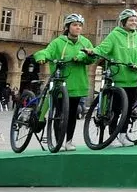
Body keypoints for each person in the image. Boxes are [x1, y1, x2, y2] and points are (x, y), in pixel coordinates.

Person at [32, 13, 95, 151]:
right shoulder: (58, 42)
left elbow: (92, 59)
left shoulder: (85, 42)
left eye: (80, 25)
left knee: (72, 114)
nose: (78, 28)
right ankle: (57, 141)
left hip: (78, 84)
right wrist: (41, 57)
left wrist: (86, 56)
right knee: (59, 114)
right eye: (74, 25)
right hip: (61, 83)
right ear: (67, 27)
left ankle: (69, 141)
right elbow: (47, 52)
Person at [82, 8, 137, 147]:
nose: (134, 22)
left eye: (135, 20)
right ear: (124, 22)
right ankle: (112, 135)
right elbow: (103, 49)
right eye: (131, 20)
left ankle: (123, 135)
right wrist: (93, 51)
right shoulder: (114, 35)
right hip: (118, 77)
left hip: (133, 78)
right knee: (116, 109)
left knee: (128, 110)